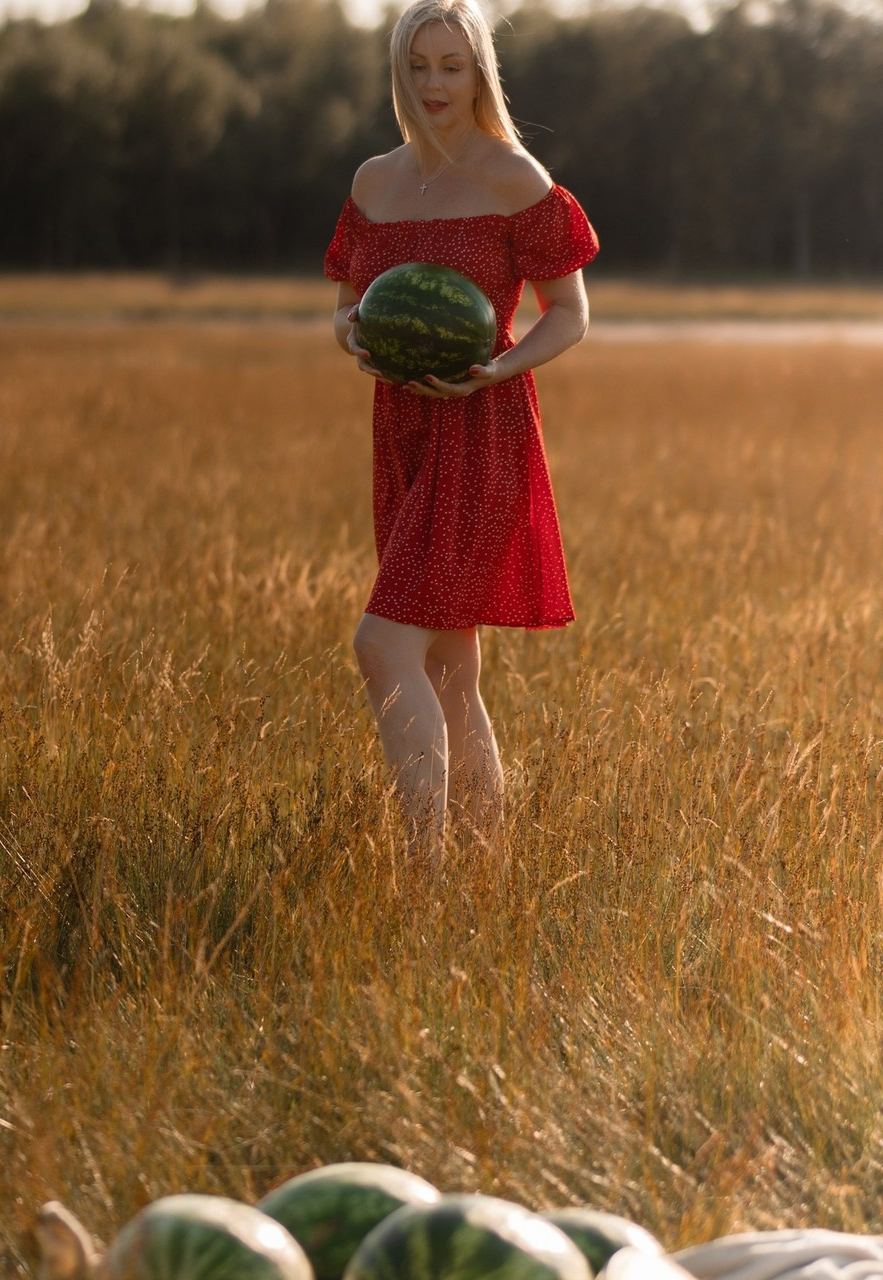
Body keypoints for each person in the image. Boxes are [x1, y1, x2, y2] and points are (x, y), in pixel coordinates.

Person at [325, 0, 598, 859]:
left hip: (483, 431)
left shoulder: (514, 175)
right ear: (399, 74)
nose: (435, 83)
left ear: (480, 70)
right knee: (448, 664)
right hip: (402, 425)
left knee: (382, 643)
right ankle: (482, 863)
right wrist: (359, 341)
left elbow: (571, 315)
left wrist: (496, 369)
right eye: (419, 66)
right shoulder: (375, 181)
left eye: (452, 65)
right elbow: (343, 310)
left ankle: (425, 866)